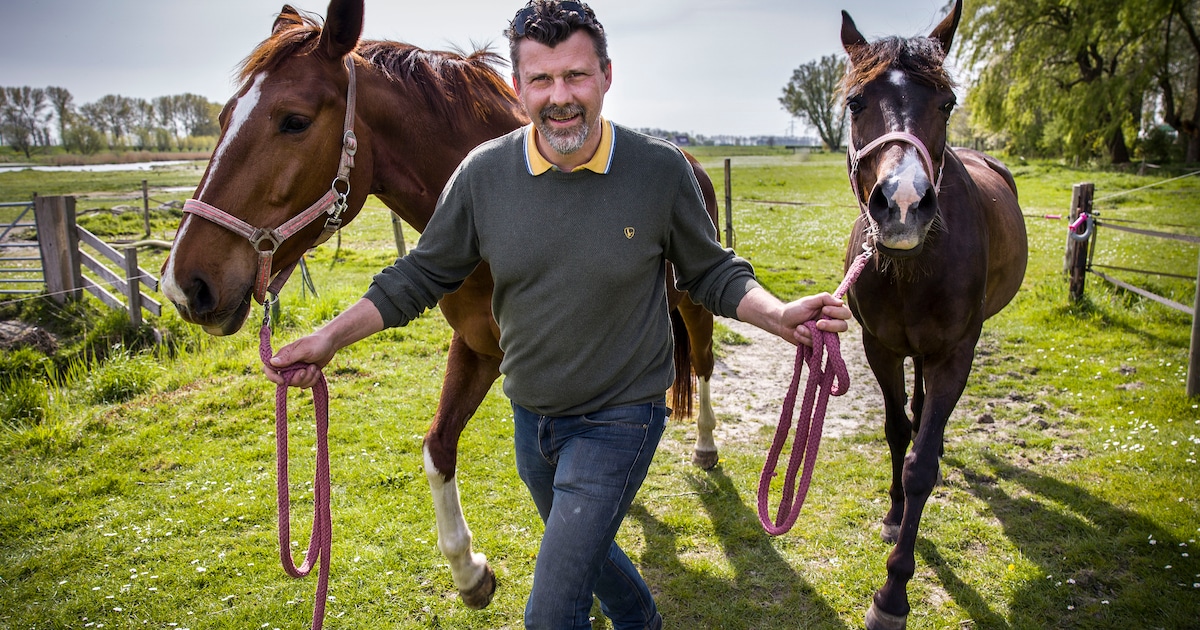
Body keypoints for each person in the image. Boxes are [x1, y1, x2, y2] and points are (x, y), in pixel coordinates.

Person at [265, 1, 852, 628]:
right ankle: (639, 618)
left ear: (605, 75)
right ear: (519, 87)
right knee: (591, 561)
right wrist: (330, 336)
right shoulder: (484, 175)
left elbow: (711, 272)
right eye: (541, 80)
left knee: (552, 610)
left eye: (575, 76)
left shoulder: (658, 171)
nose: (561, 97)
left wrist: (778, 313)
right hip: (533, 425)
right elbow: (419, 275)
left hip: (619, 421)